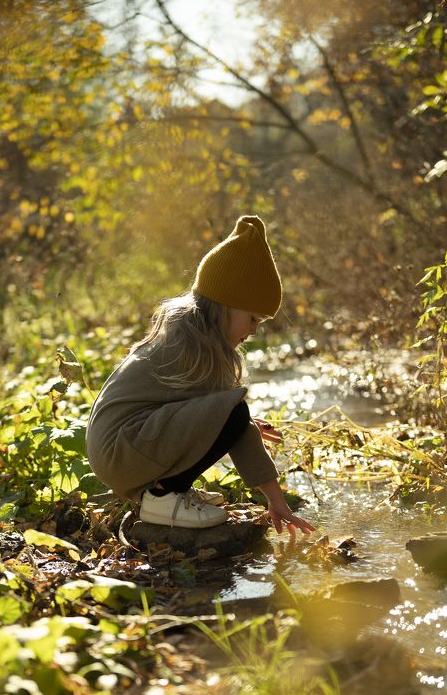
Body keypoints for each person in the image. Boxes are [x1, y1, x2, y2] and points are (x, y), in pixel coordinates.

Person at [86, 215, 316, 535]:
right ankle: (163, 496)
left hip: (120, 450)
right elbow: (229, 415)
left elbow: (213, 417)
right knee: (235, 410)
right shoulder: (190, 347)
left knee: (234, 413)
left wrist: (240, 424)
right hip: (120, 451)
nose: (252, 332)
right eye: (252, 319)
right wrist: (275, 499)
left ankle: (168, 491)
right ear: (225, 306)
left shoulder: (189, 334)